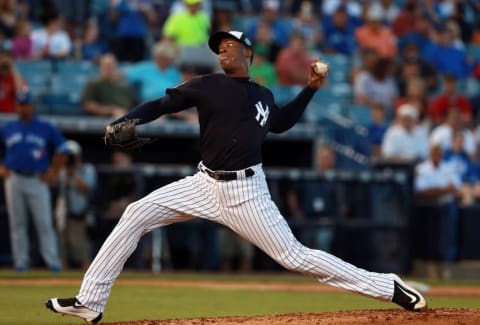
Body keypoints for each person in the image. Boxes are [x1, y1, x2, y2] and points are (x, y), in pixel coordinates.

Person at [46, 30, 427, 324]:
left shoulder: (262, 94)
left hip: (247, 192)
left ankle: (387, 285)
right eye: (220, 46)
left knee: (294, 257)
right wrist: (127, 119)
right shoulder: (207, 84)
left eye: (230, 44)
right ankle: (89, 302)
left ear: (248, 53)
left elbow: (281, 124)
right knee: (134, 215)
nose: (223, 49)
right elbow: (164, 103)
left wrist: (309, 90)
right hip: (203, 183)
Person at [0, 91, 68, 272]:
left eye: (27, 104)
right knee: (18, 223)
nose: (24, 108)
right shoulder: (8, 127)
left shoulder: (45, 127)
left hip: (37, 179)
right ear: (17, 107)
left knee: (44, 222)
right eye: (21, 105)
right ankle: (21, 262)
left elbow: (63, 149)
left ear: (33, 106)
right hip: (14, 178)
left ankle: (52, 262)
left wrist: (53, 172)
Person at [56, 140, 97, 270]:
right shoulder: (62, 171)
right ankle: (62, 275)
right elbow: (54, 185)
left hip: (81, 212)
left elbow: (87, 188)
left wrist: (73, 174)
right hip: (64, 212)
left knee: (81, 244)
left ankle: (87, 271)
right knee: (62, 244)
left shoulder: (87, 169)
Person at [81, 54, 139, 118]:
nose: (108, 68)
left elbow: (136, 103)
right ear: (101, 66)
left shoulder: (125, 85)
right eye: (106, 65)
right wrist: (111, 110)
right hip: (105, 119)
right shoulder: (94, 83)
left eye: (111, 65)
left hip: (127, 116)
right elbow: (88, 105)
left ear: (115, 66)